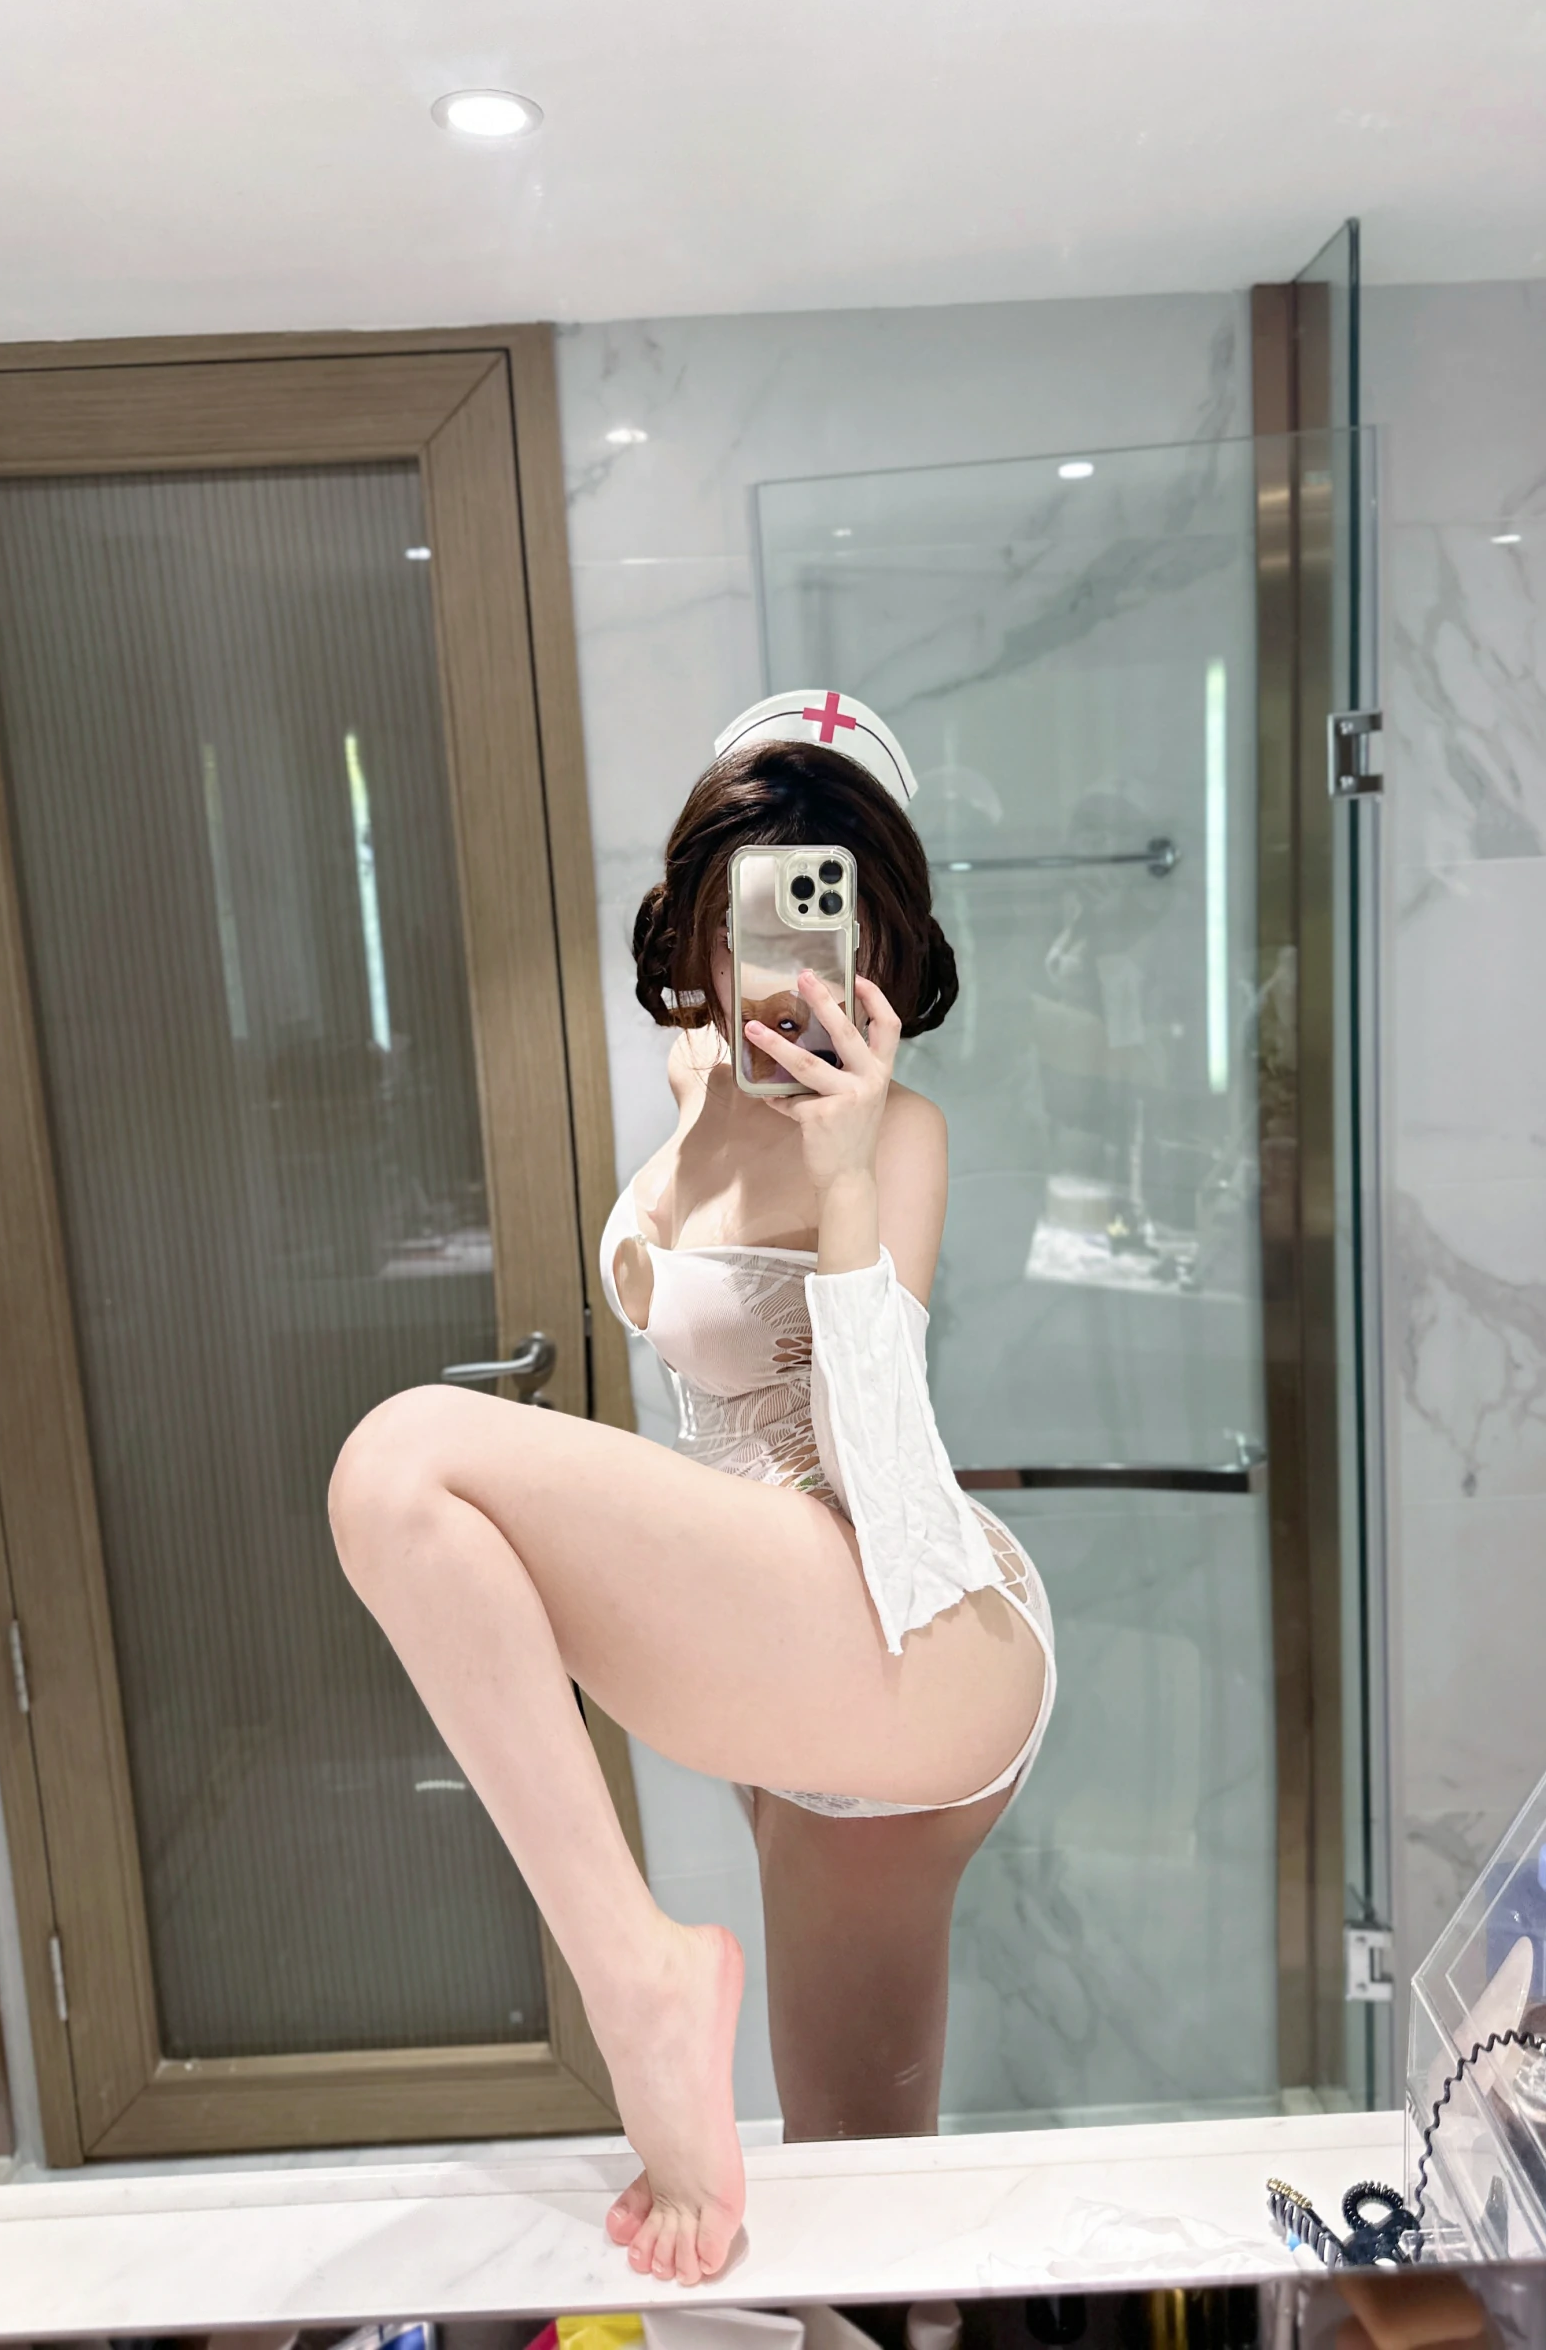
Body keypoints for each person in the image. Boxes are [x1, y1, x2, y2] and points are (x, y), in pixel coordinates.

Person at [327, 692, 1056, 2290]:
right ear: (702, 923)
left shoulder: (898, 1138)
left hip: (914, 1616)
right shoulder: (691, 1088)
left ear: (883, 941)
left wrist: (846, 1179)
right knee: (844, 2170)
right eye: (757, 912)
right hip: (776, 1631)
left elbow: (882, 1484)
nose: (793, 966)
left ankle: (639, 1988)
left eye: (833, 915)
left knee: (401, 1464)